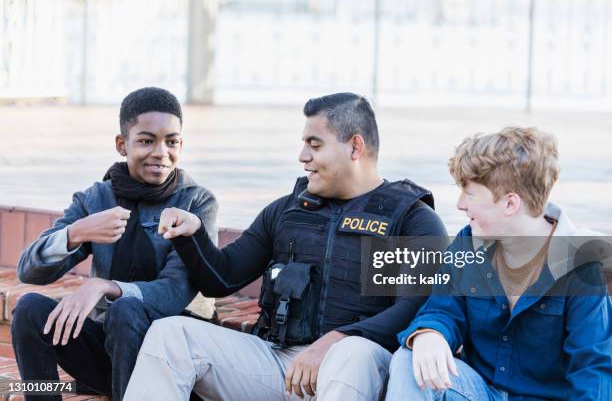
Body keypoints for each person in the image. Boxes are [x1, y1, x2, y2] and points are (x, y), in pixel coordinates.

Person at [124, 92, 448, 400]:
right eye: (304, 143)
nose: (302, 156)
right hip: (279, 365)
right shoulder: (288, 211)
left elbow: (412, 309)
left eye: (314, 144)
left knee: (354, 353)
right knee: (171, 335)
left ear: (355, 147)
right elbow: (222, 278)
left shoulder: (406, 219)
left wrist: (334, 341)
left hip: (356, 370)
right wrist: (190, 234)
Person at [11, 87, 218, 401]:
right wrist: (76, 232)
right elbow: (28, 270)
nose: (161, 152)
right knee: (30, 308)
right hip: (112, 353)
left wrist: (105, 286)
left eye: (171, 141)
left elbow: (176, 291)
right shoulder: (96, 199)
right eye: (147, 140)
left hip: (173, 361)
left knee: (125, 309)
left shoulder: (196, 202)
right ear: (122, 145)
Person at [386, 127, 612, 400]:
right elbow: (443, 309)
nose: (459, 204)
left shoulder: (579, 264)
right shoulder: (468, 242)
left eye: (469, 194)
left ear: (509, 203)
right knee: (408, 359)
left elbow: (593, 369)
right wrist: (430, 332)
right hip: (479, 391)